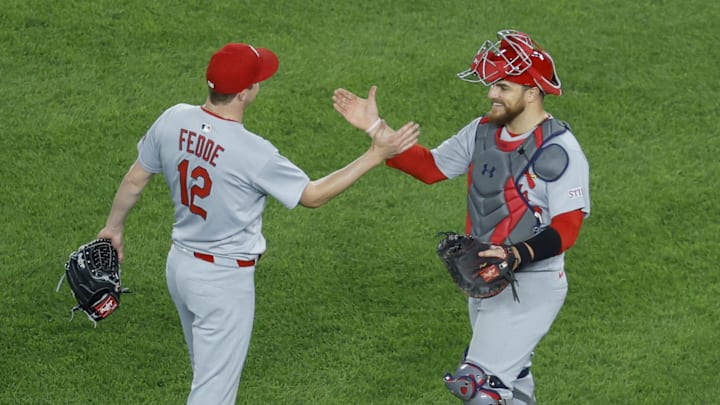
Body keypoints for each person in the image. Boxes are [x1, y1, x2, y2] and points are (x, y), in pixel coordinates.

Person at [96, 42, 419, 405]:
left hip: (180, 267)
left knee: (207, 377)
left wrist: (114, 227)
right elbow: (312, 195)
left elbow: (136, 178)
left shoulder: (173, 118)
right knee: (213, 395)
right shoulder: (253, 152)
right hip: (222, 283)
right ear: (246, 93)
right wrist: (375, 155)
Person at [333, 29, 590, 404]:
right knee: (513, 385)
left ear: (532, 92)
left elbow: (568, 227)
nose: (491, 93)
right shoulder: (482, 131)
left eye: (502, 86)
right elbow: (430, 168)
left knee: (480, 388)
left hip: (531, 285)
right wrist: (376, 128)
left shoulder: (558, 149)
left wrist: (516, 254)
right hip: (486, 279)